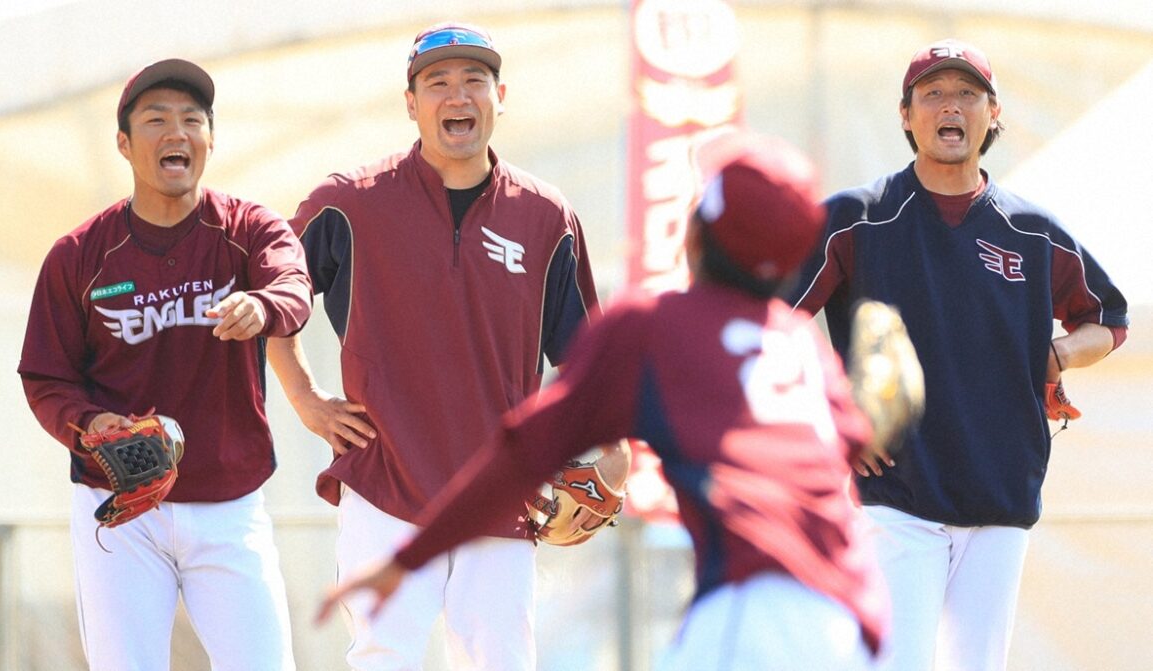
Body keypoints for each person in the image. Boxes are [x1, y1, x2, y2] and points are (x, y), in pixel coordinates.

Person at [315, 129, 891, 671]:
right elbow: (850, 441)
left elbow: (523, 452)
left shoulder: (653, 328)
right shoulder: (804, 351)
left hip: (757, 615)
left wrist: (407, 559)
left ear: (695, 238)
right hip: (860, 619)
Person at [267, 22, 629, 671]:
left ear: (500, 96)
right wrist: (302, 395)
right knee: (385, 658)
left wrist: (614, 449)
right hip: (383, 482)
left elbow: (586, 356)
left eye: (474, 81)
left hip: (501, 490)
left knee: (503, 661)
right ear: (411, 102)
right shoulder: (349, 202)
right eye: (438, 82)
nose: (457, 96)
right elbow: (273, 292)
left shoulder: (546, 217)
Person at [786, 39, 1130, 671]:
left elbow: (1108, 318)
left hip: (1000, 492)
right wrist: (832, 415)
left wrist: (1058, 353)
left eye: (968, 93)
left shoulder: (1032, 230)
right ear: (905, 114)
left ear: (993, 112)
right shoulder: (856, 218)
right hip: (894, 492)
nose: (952, 106)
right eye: (934, 93)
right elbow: (767, 325)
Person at [18, 58, 310, 670]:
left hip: (229, 502)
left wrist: (262, 304)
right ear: (124, 144)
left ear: (210, 139)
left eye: (192, 119)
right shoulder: (79, 254)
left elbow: (294, 282)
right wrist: (88, 424)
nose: (176, 132)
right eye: (156, 120)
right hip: (122, 508)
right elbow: (46, 376)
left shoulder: (248, 229)